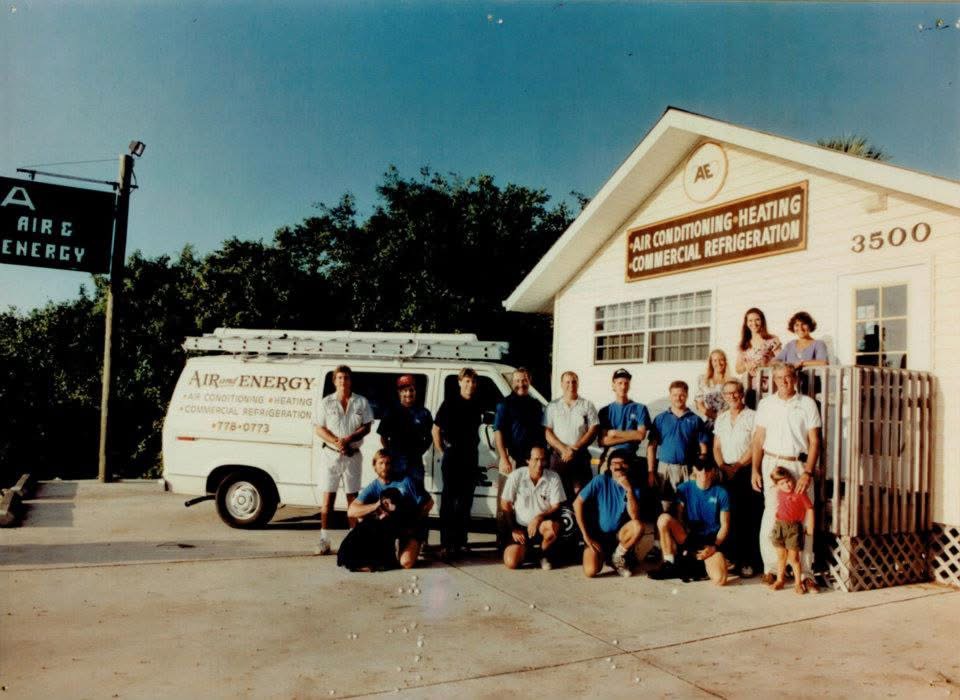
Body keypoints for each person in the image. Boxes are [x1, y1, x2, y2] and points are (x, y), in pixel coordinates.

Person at [751, 362, 822, 592]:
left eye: (788, 377)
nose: (784, 381)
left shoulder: (807, 404)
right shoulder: (766, 404)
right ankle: (772, 569)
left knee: (803, 517)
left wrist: (808, 472)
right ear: (773, 379)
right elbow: (758, 439)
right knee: (772, 514)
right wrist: (754, 468)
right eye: (779, 377)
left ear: (795, 379)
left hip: (798, 464)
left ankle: (807, 573)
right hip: (772, 463)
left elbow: (814, 442)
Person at [313, 365, 374, 555]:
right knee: (328, 499)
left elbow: (366, 427)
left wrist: (349, 440)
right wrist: (337, 442)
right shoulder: (326, 402)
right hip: (330, 455)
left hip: (352, 456)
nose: (343, 381)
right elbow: (319, 428)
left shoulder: (361, 402)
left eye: (346, 377)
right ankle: (324, 540)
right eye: (339, 378)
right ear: (334, 381)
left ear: (350, 380)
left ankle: (353, 539)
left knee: (353, 499)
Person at [343, 450, 434, 570]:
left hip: (409, 528)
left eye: (388, 463)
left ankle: (413, 544)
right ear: (374, 466)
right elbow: (351, 511)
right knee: (363, 518)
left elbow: (429, 503)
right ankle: (385, 550)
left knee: (406, 563)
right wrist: (375, 506)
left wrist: (415, 523)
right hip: (390, 529)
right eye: (381, 463)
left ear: (393, 465)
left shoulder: (406, 481)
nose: (384, 467)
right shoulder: (374, 486)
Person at [649, 461, 730, 586]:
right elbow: (678, 516)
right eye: (700, 467)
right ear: (694, 469)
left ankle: (701, 565)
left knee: (720, 580)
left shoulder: (721, 492)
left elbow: (725, 525)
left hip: (709, 542)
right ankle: (669, 563)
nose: (703, 471)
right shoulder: (684, 488)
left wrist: (714, 547)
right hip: (689, 537)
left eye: (708, 468)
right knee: (663, 519)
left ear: (713, 471)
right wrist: (687, 542)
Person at [432, 367, 484, 559]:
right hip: (453, 456)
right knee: (448, 501)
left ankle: (461, 542)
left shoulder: (477, 404)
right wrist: (443, 451)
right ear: (460, 382)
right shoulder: (449, 403)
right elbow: (435, 430)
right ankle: (446, 543)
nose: (470, 385)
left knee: (465, 501)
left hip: (471, 456)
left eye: (473, 382)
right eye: (467, 381)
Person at [712, 380, 760, 578]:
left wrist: (738, 465)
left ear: (742, 394)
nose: (732, 396)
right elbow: (716, 446)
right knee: (727, 517)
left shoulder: (753, 416)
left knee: (747, 517)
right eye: (728, 393)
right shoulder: (721, 419)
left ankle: (748, 561)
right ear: (723, 396)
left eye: (735, 393)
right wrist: (723, 466)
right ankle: (731, 557)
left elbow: (756, 445)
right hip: (725, 472)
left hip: (745, 471)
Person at [573, 453, 644, 577]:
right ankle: (606, 559)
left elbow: (634, 517)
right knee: (590, 571)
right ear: (610, 467)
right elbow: (576, 503)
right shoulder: (601, 480)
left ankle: (617, 557)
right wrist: (585, 536)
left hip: (618, 537)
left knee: (638, 526)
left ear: (628, 466)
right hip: (598, 535)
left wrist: (629, 490)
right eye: (614, 464)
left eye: (622, 463)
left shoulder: (634, 486)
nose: (618, 467)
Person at [647, 381, 710, 513]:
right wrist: (651, 472)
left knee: (685, 507)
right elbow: (651, 447)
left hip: (687, 469)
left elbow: (703, 448)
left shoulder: (695, 420)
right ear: (670, 396)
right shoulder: (660, 419)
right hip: (664, 469)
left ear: (686, 395)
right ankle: (661, 534)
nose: (678, 398)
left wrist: (699, 470)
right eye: (675, 395)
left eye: (681, 395)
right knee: (664, 509)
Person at [500, 445, 566, 570]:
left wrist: (539, 518)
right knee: (511, 562)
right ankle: (526, 550)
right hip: (522, 527)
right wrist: (514, 528)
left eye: (543, 459)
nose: (540, 464)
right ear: (527, 460)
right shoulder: (516, 476)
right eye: (535, 459)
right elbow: (505, 503)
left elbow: (556, 506)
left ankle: (544, 554)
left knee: (551, 527)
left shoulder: (553, 477)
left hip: (542, 525)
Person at [543, 370, 599, 500]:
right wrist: (564, 449)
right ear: (562, 384)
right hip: (558, 456)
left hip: (580, 455)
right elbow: (547, 432)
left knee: (581, 492)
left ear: (578, 384)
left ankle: (578, 519)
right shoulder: (552, 406)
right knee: (557, 492)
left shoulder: (587, 405)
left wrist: (574, 449)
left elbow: (593, 430)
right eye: (567, 382)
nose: (571, 385)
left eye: (574, 381)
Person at [377, 374, 433, 487]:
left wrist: (418, 452)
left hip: (415, 462)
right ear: (399, 392)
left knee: (416, 494)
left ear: (415, 392)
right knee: (395, 495)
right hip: (396, 462)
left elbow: (429, 437)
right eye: (405, 390)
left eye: (411, 390)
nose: (408, 394)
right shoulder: (391, 412)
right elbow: (383, 437)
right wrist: (392, 453)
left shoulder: (424, 413)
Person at [766, 466, 814, 593]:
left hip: (794, 529)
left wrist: (810, 527)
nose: (787, 485)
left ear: (792, 479)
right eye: (782, 483)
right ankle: (780, 580)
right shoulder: (777, 491)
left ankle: (798, 583)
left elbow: (810, 508)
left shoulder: (800, 492)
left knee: (794, 558)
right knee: (781, 556)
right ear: (777, 485)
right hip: (779, 526)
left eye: (788, 481)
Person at [598, 368, 652, 480]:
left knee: (629, 489)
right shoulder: (605, 411)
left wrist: (615, 433)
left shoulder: (640, 408)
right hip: (610, 455)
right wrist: (630, 436)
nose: (623, 386)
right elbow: (603, 441)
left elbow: (641, 435)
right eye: (620, 383)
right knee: (606, 485)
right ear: (613, 385)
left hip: (630, 455)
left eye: (626, 383)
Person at [493, 367, 544, 476]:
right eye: (517, 381)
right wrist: (504, 458)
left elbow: (540, 431)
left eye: (524, 380)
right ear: (512, 382)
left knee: (527, 492)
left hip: (530, 459)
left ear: (529, 381)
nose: (521, 384)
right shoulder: (504, 404)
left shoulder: (535, 405)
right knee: (506, 492)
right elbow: (498, 432)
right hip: (510, 458)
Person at [736, 308, 782, 407]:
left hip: (768, 383)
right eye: (750, 320)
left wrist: (767, 364)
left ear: (762, 321)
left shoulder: (772, 339)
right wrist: (747, 366)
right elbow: (738, 369)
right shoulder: (744, 344)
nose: (754, 323)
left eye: (757, 319)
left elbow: (782, 361)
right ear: (746, 323)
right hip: (750, 384)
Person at [694, 349, 734, 429]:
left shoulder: (732, 381)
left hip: (727, 423)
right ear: (711, 363)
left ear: (725, 362)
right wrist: (714, 416)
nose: (718, 363)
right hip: (708, 423)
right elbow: (699, 404)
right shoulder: (703, 380)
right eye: (715, 360)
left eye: (721, 360)